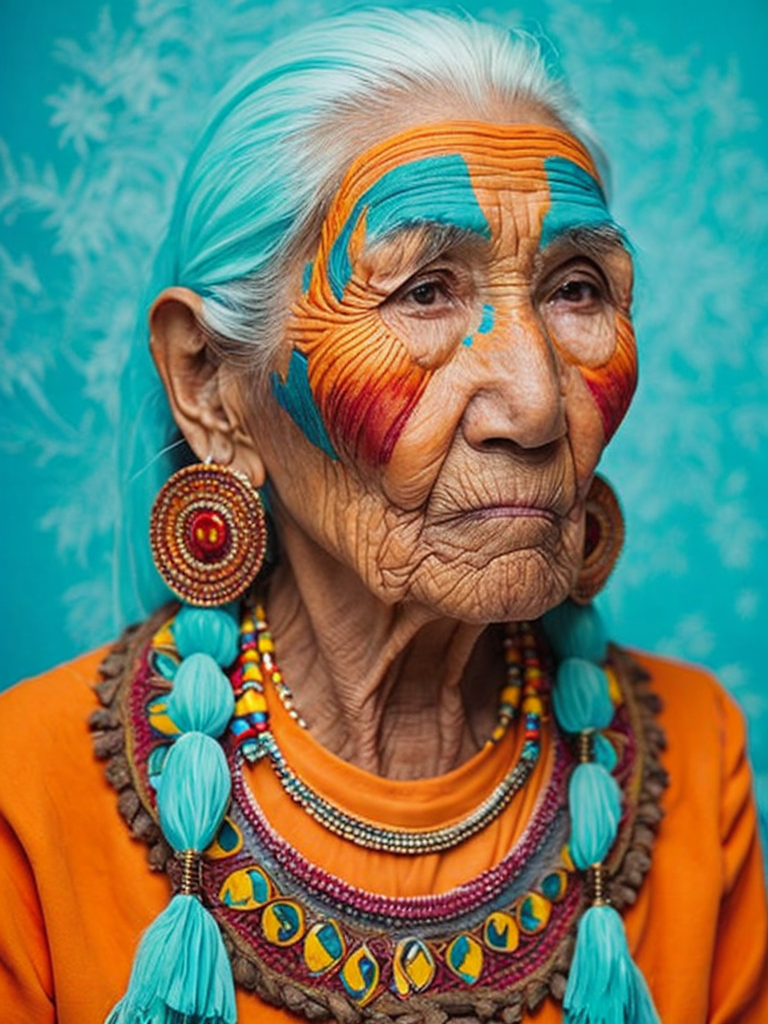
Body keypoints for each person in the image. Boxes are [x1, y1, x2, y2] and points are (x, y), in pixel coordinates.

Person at [0, 9, 766, 1024]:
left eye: (577, 289)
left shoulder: (697, 750)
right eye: (424, 292)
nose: (536, 401)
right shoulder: (28, 790)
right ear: (210, 387)